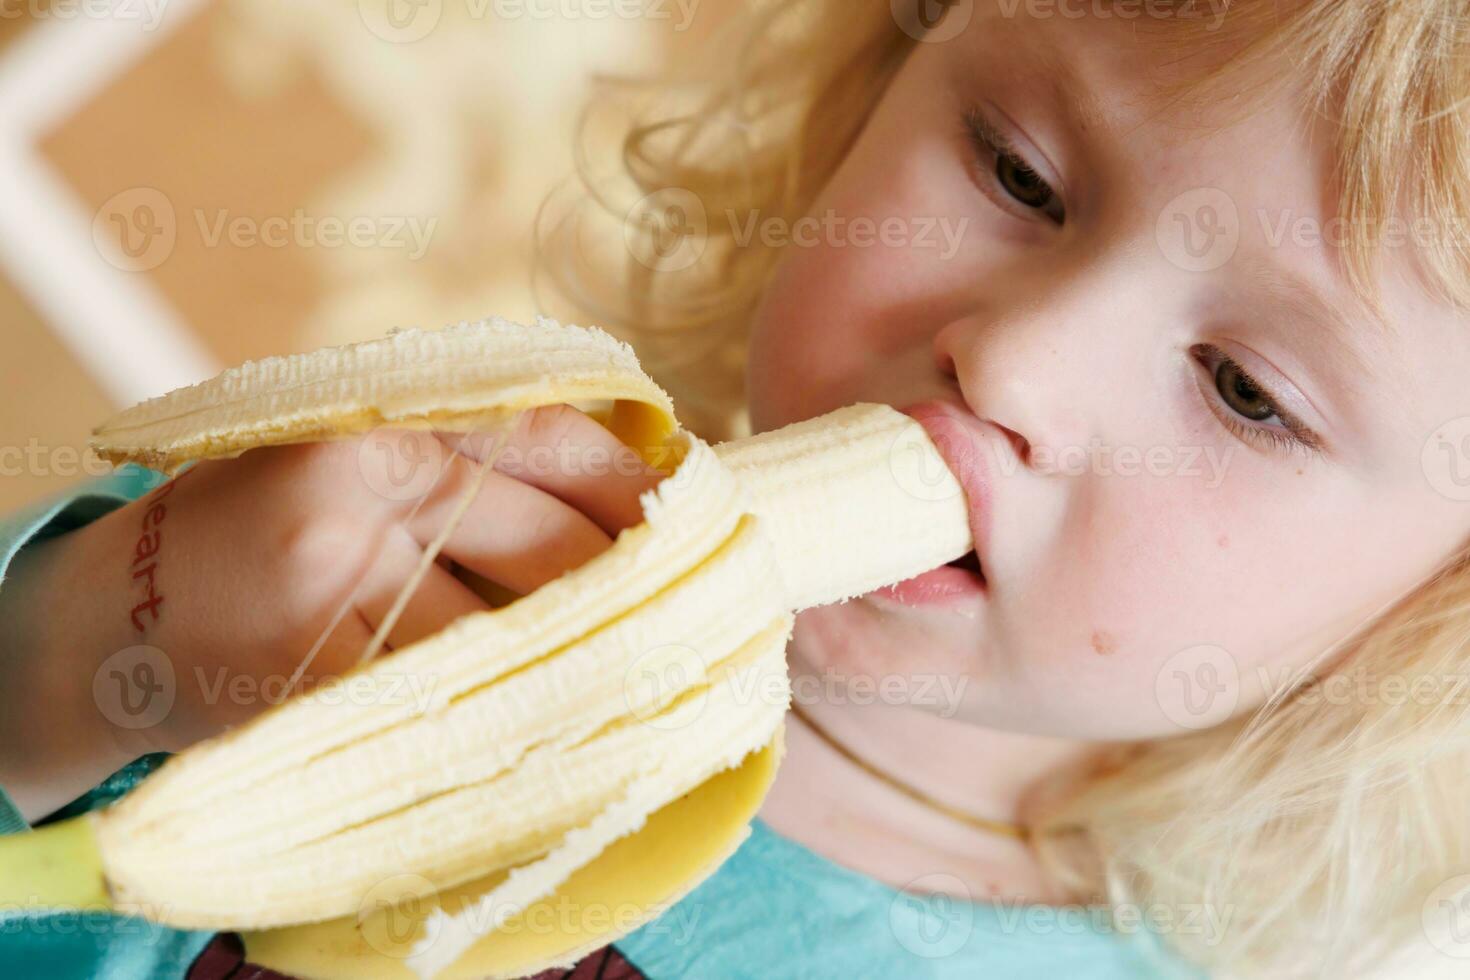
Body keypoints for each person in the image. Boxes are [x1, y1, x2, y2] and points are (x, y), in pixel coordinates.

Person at [4, 1, 1470, 976]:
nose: (1014, 366)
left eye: (1244, 392)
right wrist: (89, 647)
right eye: (1018, 173)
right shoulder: (364, 529)